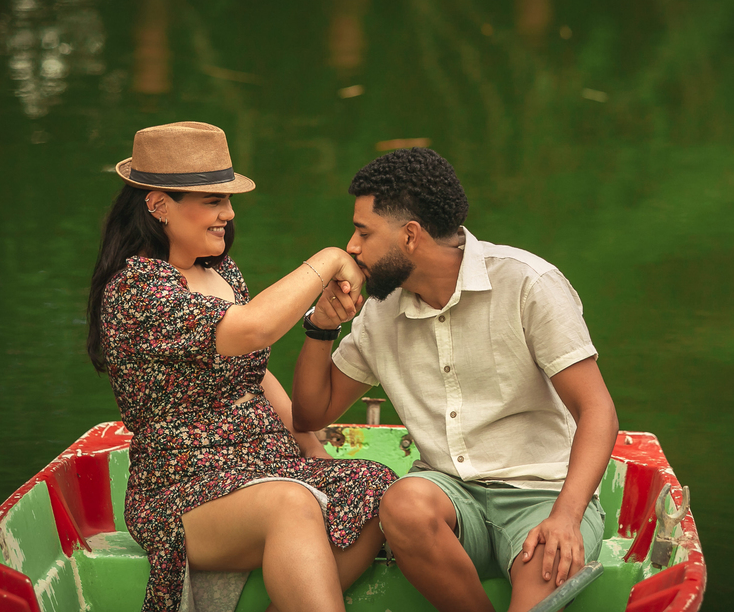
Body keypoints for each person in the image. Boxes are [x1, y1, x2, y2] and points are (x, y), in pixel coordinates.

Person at [292, 148, 619, 612]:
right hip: (449, 497)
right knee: (402, 504)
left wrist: (567, 517)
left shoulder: (528, 284)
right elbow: (310, 413)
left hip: (543, 495)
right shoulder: (379, 313)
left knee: (544, 572)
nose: (351, 247)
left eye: (363, 232)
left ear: (410, 236)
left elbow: (597, 410)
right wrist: (322, 327)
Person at [87, 121, 396, 612]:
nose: (228, 214)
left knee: (380, 489)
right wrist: (332, 257)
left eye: (228, 201)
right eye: (214, 201)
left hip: (266, 464)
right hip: (181, 486)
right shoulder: (138, 289)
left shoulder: (221, 271)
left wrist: (313, 451)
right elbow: (254, 330)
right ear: (159, 204)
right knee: (290, 503)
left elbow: (253, 371)